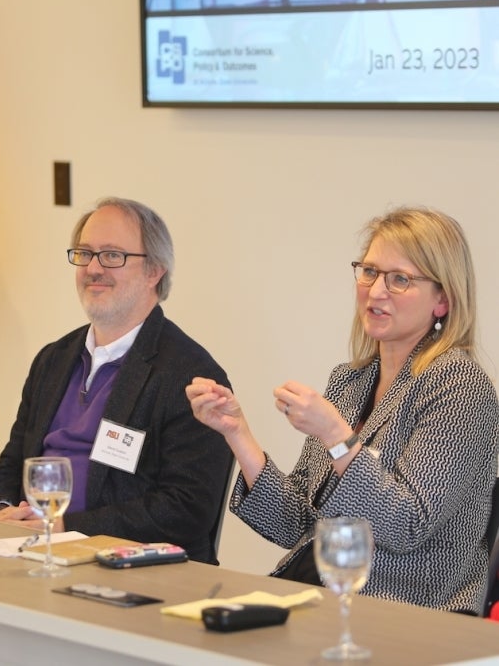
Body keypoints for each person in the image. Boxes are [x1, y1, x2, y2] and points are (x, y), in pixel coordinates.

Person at [186, 206, 499, 613]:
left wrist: (336, 436)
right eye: (369, 272)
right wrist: (237, 433)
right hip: (320, 597)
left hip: (409, 611)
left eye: (400, 279)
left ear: (443, 300)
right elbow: (296, 525)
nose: (376, 291)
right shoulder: (350, 382)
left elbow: (405, 525)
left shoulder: (458, 385)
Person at [0, 197, 233, 563]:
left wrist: (66, 526)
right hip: (31, 552)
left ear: (155, 271)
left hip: (130, 567)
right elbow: (11, 463)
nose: (93, 268)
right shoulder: (53, 360)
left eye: (113, 255)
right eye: (85, 254)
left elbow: (186, 508)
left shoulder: (190, 375)